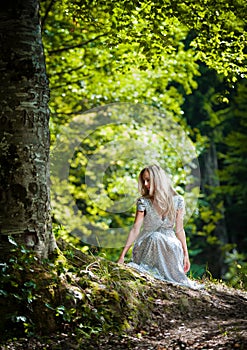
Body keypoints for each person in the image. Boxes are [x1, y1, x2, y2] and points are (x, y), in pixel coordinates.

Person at [117, 164, 204, 290]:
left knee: (169, 242)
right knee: (155, 237)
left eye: (148, 180)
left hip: (170, 243)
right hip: (147, 243)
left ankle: (171, 275)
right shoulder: (143, 202)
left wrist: (186, 254)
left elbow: (179, 230)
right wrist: (122, 256)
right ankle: (151, 273)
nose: (146, 184)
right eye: (144, 181)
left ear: (158, 179)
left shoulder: (178, 200)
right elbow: (135, 229)